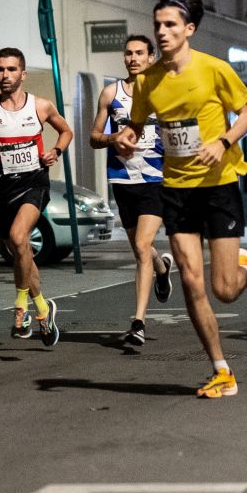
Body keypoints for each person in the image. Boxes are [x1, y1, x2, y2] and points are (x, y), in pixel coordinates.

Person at [113, 0, 247, 398]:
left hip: (218, 186)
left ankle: (246, 270)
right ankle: (221, 371)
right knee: (192, 283)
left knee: (225, 290)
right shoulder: (147, 80)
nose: (161, 32)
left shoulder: (214, 70)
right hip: (176, 189)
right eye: (157, 25)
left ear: (189, 30)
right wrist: (125, 137)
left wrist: (224, 141)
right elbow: (139, 123)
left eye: (170, 25)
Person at [0, 48, 71, 347]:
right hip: (1, 188)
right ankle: (44, 309)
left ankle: (20, 309)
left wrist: (55, 152)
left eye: (11, 69)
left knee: (20, 237)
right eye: (0, 69)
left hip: (34, 183)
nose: (4, 75)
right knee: (21, 251)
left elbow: (66, 131)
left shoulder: (40, 106)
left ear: (23, 74)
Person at [90, 33, 172, 351]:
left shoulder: (163, 93)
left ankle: (137, 322)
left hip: (155, 179)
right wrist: (115, 140)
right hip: (123, 180)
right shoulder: (111, 93)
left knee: (141, 245)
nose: (133, 58)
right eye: (129, 53)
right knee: (142, 250)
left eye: (140, 53)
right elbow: (94, 137)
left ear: (151, 58)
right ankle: (162, 267)